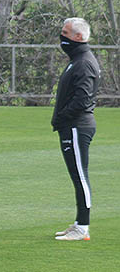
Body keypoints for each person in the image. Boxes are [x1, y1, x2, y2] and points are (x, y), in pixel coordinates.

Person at [51, 17, 100, 241]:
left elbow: (82, 99)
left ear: (78, 37)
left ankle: (83, 227)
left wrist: (62, 117)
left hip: (77, 126)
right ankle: (79, 223)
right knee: (76, 175)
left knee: (80, 176)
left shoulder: (84, 62)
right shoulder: (77, 59)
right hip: (71, 126)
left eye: (65, 32)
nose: (62, 36)